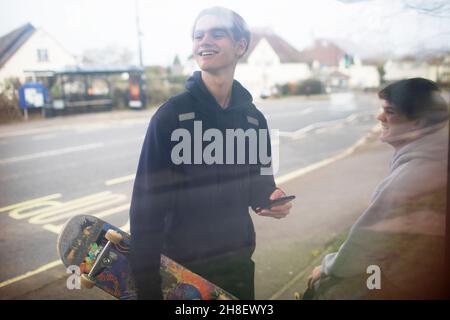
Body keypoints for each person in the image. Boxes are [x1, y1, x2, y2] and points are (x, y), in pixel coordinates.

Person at [129, 7, 292, 300]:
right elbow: (145, 210)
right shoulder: (171, 116)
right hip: (181, 273)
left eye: (217, 34)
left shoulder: (254, 120)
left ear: (240, 46)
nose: (205, 41)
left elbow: (259, 182)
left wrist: (271, 198)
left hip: (238, 269)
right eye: (199, 35)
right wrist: (146, 288)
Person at [306, 78, 449, 299]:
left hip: (408, 283)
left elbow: (365, 245)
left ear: (418, 123)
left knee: (324, 291)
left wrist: (325, 268)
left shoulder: (414, 176)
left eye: (389, 111)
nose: (379, 117)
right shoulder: (435, 156)